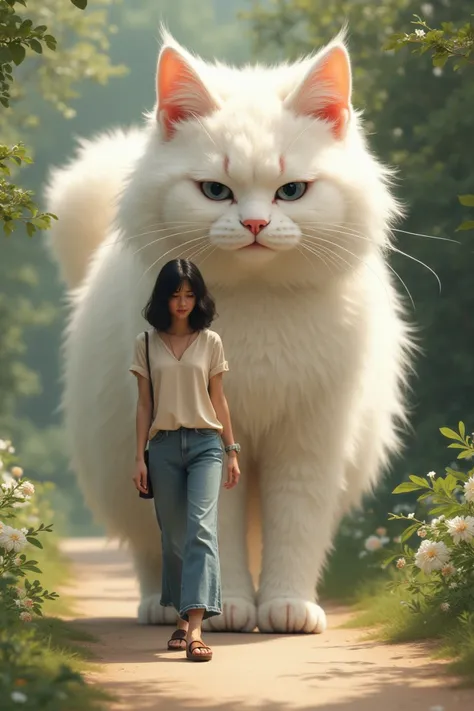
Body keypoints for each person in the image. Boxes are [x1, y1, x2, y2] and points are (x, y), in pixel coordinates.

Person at [129, 258, 240, 662]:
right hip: (161, 448)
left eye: (190, 295)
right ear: (164, 297)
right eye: (175, 295)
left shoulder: (211, 341)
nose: (182, 303)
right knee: (173, 538)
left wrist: (231, 450)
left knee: (201, 531)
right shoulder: (145, 342)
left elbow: (219, 399)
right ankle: (180, 618)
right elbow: (143, 405)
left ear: (199, 297)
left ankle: (195, 630)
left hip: (206, 445)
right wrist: (139, 457)